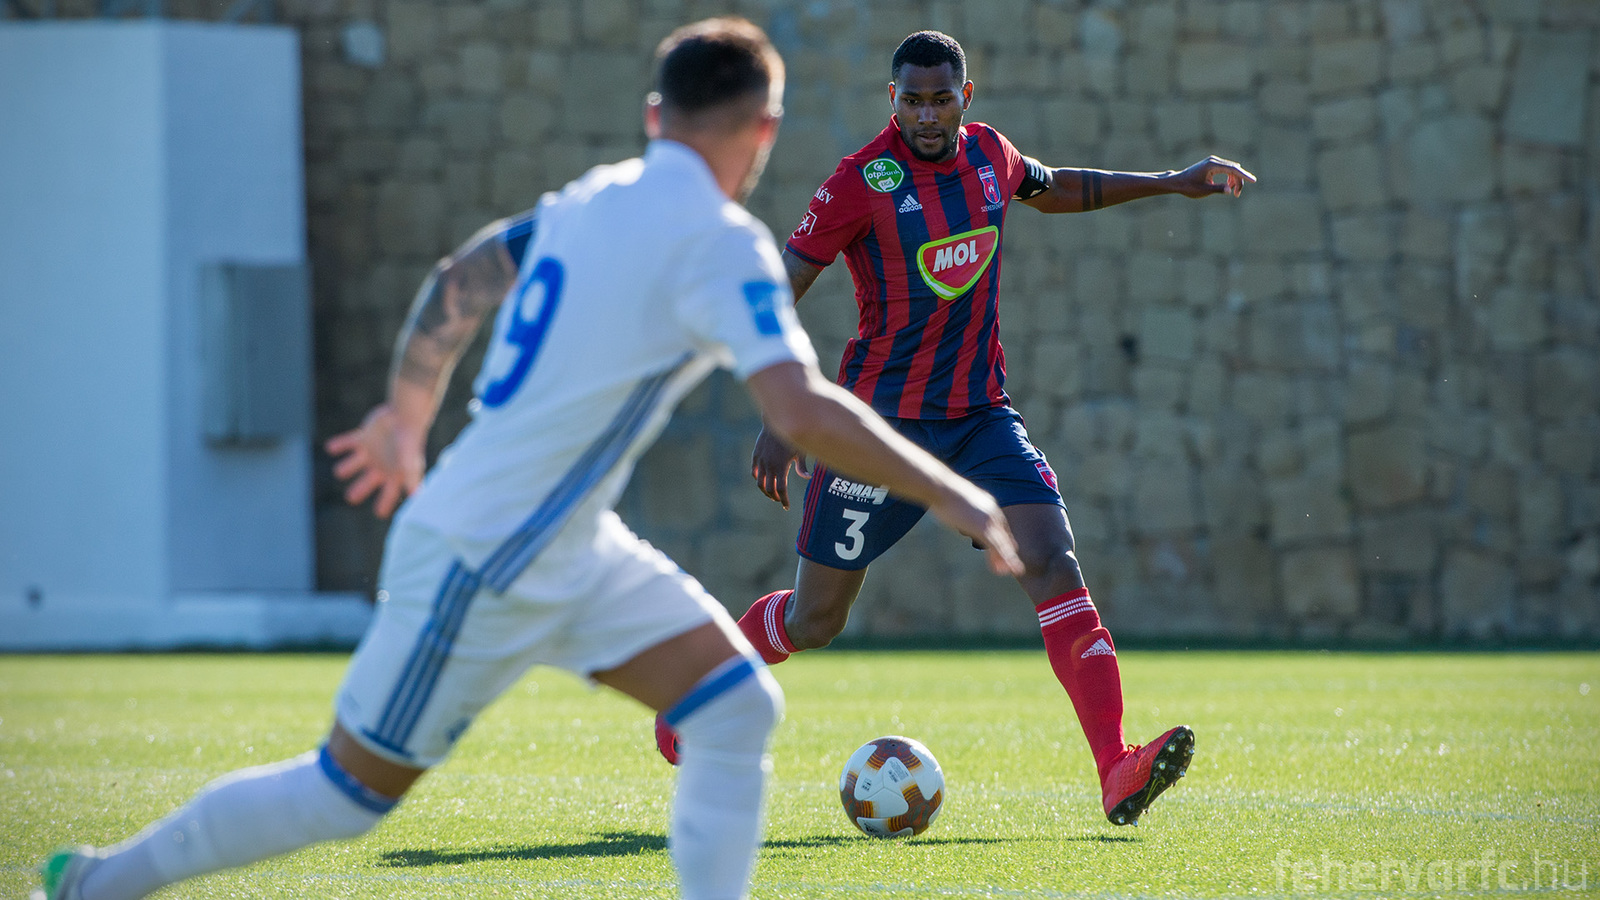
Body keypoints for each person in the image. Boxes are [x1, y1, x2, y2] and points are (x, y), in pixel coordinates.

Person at [32, 18, 1024, 900]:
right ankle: (100, 883)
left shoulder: (588, 199)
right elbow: (800, 408)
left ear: (654, 115)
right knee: (346, 795)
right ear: (763, 131)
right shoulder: (720, 241)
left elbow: (461, 278)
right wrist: (952, 494)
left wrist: (405, 416)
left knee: (732, 709)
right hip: (484, 551)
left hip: (570, 545)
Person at [655, 30, 1254, 828]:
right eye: (913, 101)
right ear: (892, 100)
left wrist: (1172, 183)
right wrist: (782, 410)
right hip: (877, 432)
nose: (928, 114)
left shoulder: (990, 155)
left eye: (942, 100)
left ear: (965, 97)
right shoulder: (860, 182)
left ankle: (1117, 765)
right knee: (815, 620)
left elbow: (1055, 187)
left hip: (980, 419)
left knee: (1052, 559)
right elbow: (782, 284)